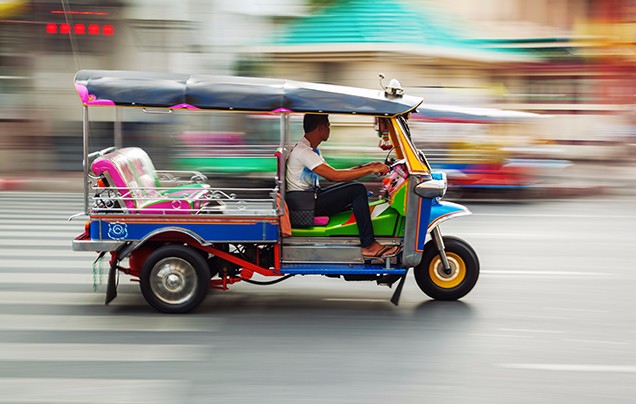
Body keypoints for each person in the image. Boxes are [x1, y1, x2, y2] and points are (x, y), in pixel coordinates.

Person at [286, 114, 400, 259]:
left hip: (309, 199)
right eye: (328, 126)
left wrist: (368, 166)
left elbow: (335, 173)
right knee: (357, 190)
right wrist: (370, 170)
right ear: (321, 128)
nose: (329, 129)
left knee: (353, 187)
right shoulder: (304, 152)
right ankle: (368, 245)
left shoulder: (310, 150)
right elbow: (334, 176)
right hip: (306, 205)